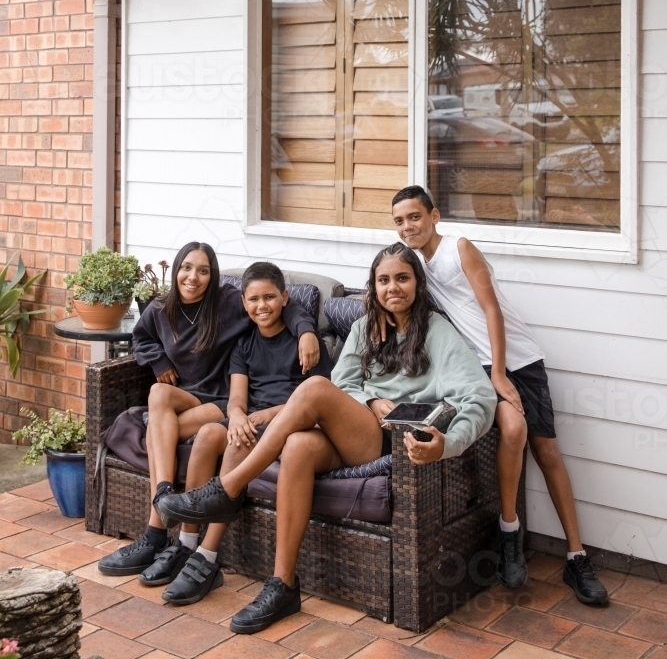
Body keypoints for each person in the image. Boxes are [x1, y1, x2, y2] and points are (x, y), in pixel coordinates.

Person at [158, 242, 496, 633]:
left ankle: (228, 488)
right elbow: (346, 384)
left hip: (391, 444)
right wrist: (370, 400)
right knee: (299, 445)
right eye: (383, 280)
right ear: (373, 287)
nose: (393, 288)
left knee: (315, 388)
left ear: (418, 283)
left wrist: (447, 445)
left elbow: (480, 398)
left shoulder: (438, 332)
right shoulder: (364, 327)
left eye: (402, 278)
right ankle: (283, 584)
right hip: (356, 430)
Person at [391, 185, 608, 606]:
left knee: (546, 451)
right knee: (513, 430)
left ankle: (577, 558)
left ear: (434, 216)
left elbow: (491, 308)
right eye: (399, 220)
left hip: (519, 361)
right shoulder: (416, 262)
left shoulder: (460, 248)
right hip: (480, 369)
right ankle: (510, 535)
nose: (407, 226)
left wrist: (499, 370)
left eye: (414, 216)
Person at [98, 242, 320, 581]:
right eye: (187, 268)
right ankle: (161, 507)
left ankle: (156, 531)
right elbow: (141, 338)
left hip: (222, 398)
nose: (193, 277)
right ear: (176, 270)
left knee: (158, 429)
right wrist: (158, 360)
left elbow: (280, 305)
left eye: (203, 271)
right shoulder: (160, 308)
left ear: (213, 276)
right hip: (189, 397)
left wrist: (306, 330)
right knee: (158, 393)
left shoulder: (229, 302)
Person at [157, 261, 332, 605]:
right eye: (253, 299)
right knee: (209, 433)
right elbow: (237, 397)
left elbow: (317, 400)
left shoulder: (305, 342)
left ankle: (208, 556)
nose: (261, 305)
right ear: (244, 303)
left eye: (270, 297)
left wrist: (258, 417)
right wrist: (237, 415)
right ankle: (187, 542)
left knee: (239, 442)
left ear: (285, 298)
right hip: (253, 421)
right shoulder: (244, 344)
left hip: (291, 425)